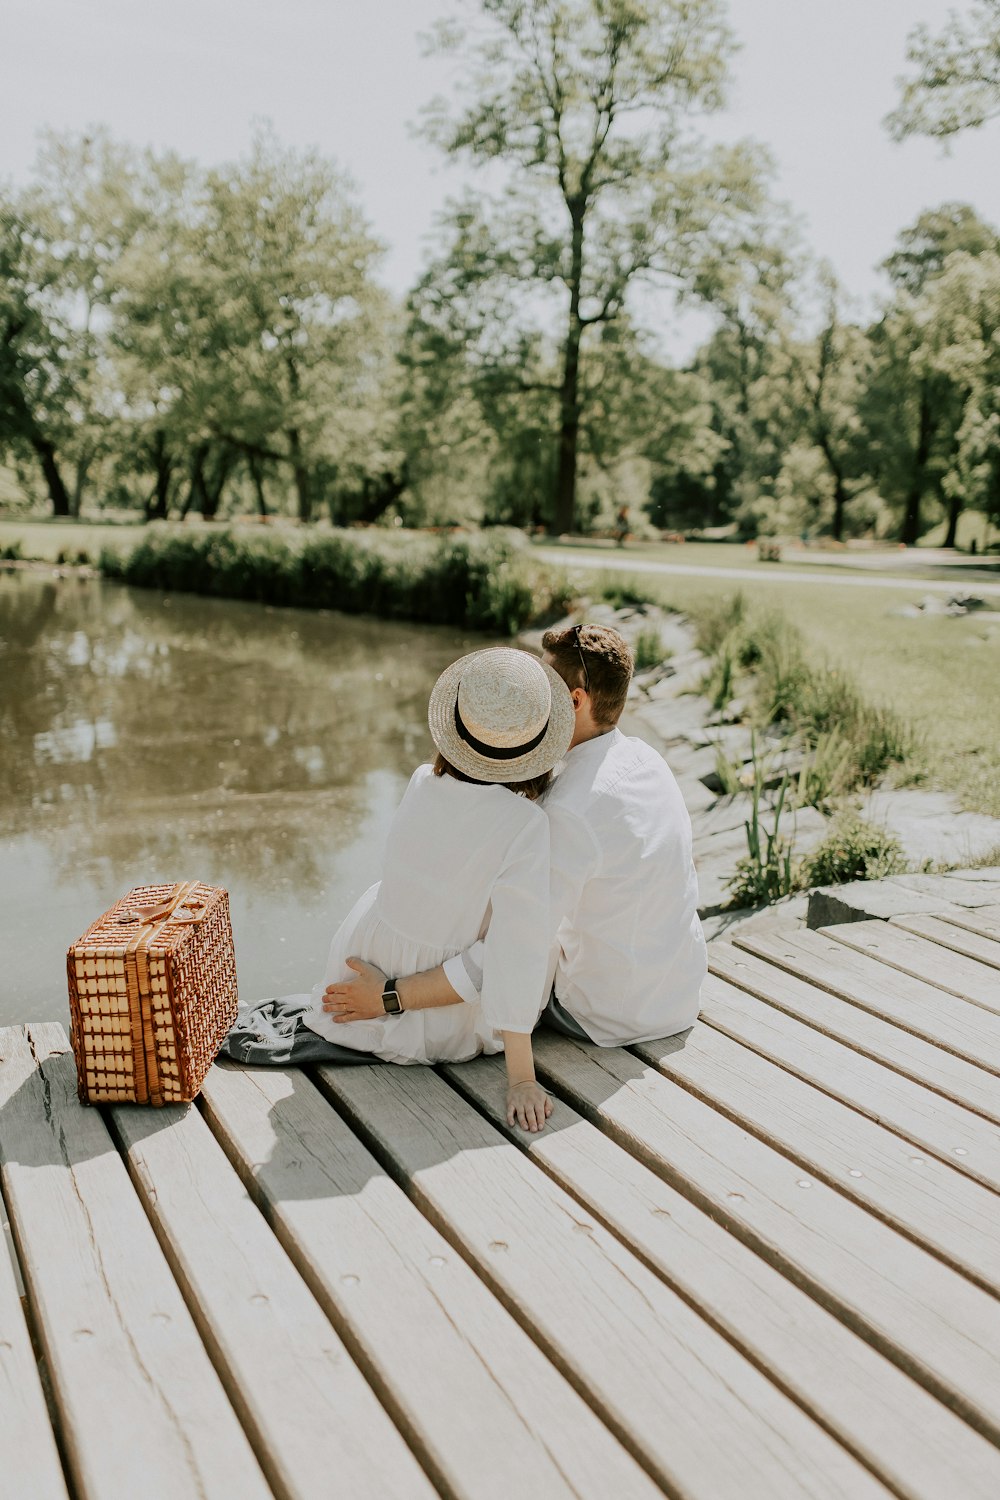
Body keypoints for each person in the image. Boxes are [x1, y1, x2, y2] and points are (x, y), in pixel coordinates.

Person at [220, 646, 575, 1132]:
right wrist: (521, 1078)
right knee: (543, 937)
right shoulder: (526, 825)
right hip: (435, 1021)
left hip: (362, 966)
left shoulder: (421, 781)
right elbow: (514, 953)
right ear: (537, 743)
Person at [325, 623, 706, 1050]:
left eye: (542, 687)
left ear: (575, 701)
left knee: (498, 921)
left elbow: (510, 952)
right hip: (678, 995)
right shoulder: (648, 761)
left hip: (606, 1016)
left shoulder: (566, 811)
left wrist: (390, 996)